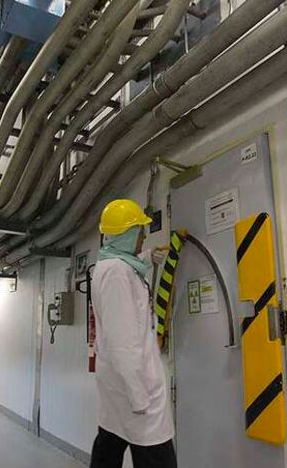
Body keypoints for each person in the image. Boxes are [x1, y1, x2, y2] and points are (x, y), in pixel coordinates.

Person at [90, 199, 177, 468]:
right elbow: (123, 343)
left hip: (118, 384)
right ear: (127, 234)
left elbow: (129, 267)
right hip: (135, 389)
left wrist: (147, 258)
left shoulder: (111, 264)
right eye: (139, 232)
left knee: (110, 443)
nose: (142, 237)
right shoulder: (117, 273)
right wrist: (140, 395)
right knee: (156, 455)